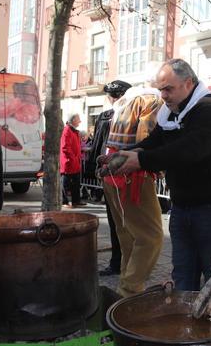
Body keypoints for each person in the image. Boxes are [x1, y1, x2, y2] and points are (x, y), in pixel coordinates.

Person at [113, 58, 211, 291]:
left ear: (188, 83)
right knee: (183, 275)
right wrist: (125, 154)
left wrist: (140, 160)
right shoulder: (171, 111)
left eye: (168, 89)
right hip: (182, 207)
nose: (163, 95)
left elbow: (190, 150)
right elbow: (155, 141)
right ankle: (185, 324)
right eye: (161, 89)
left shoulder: (210, 109)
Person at [99, 83, 164, 297]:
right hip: (132, 175)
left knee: (128, 235)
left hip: (114, 173)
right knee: (150, 237)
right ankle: (129, 292)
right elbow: (146, 138)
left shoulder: (127, 100)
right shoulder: (151, 99)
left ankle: (124, 292)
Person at [91, 80, 132, 276]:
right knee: (129, 221)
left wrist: (94, 168)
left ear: (110, 97)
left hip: (111, 173)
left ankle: (119, 263)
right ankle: (128, 263)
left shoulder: (105, 116)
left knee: (116, 220)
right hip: (128, 172)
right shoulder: (133, 114)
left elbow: (97, 145)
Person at [60, 113, 83, 208]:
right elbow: (65, 147)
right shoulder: (67, 130)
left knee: (76, 183)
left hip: (75, 162)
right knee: (66, 183)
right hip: (68, 162)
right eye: (78, 119)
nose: (80, 121)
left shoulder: (74, 131)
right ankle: (64, 202)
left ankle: (76, 201)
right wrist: (73, 158)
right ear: (73, 120)